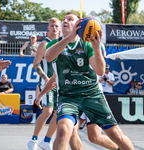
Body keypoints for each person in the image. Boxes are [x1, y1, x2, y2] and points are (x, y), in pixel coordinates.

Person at [44, 12, 134, 150]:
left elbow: (100, 71)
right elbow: (48, 57)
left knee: (114, 136)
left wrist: (97, 48)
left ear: (79, 25)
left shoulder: (87, 45)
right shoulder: (55, 43)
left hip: (92, 95)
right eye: (63, 19)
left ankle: (118, 148)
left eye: (70, 19)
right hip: (69, 96)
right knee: (63, 130)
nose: (65, 21)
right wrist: (69, 38)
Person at [27, 17, 61, 150]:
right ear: (48, 28)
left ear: (60, 28)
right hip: (46, 82)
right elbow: (36, 64)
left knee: (59, 113)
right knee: (47, 111)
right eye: (52, 25)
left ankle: (46, 141)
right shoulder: (43, 44)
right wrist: (45, 77)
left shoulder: (63, 43)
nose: (54, 28)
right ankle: (33, 140)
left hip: (60, 84)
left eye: (56, 26)